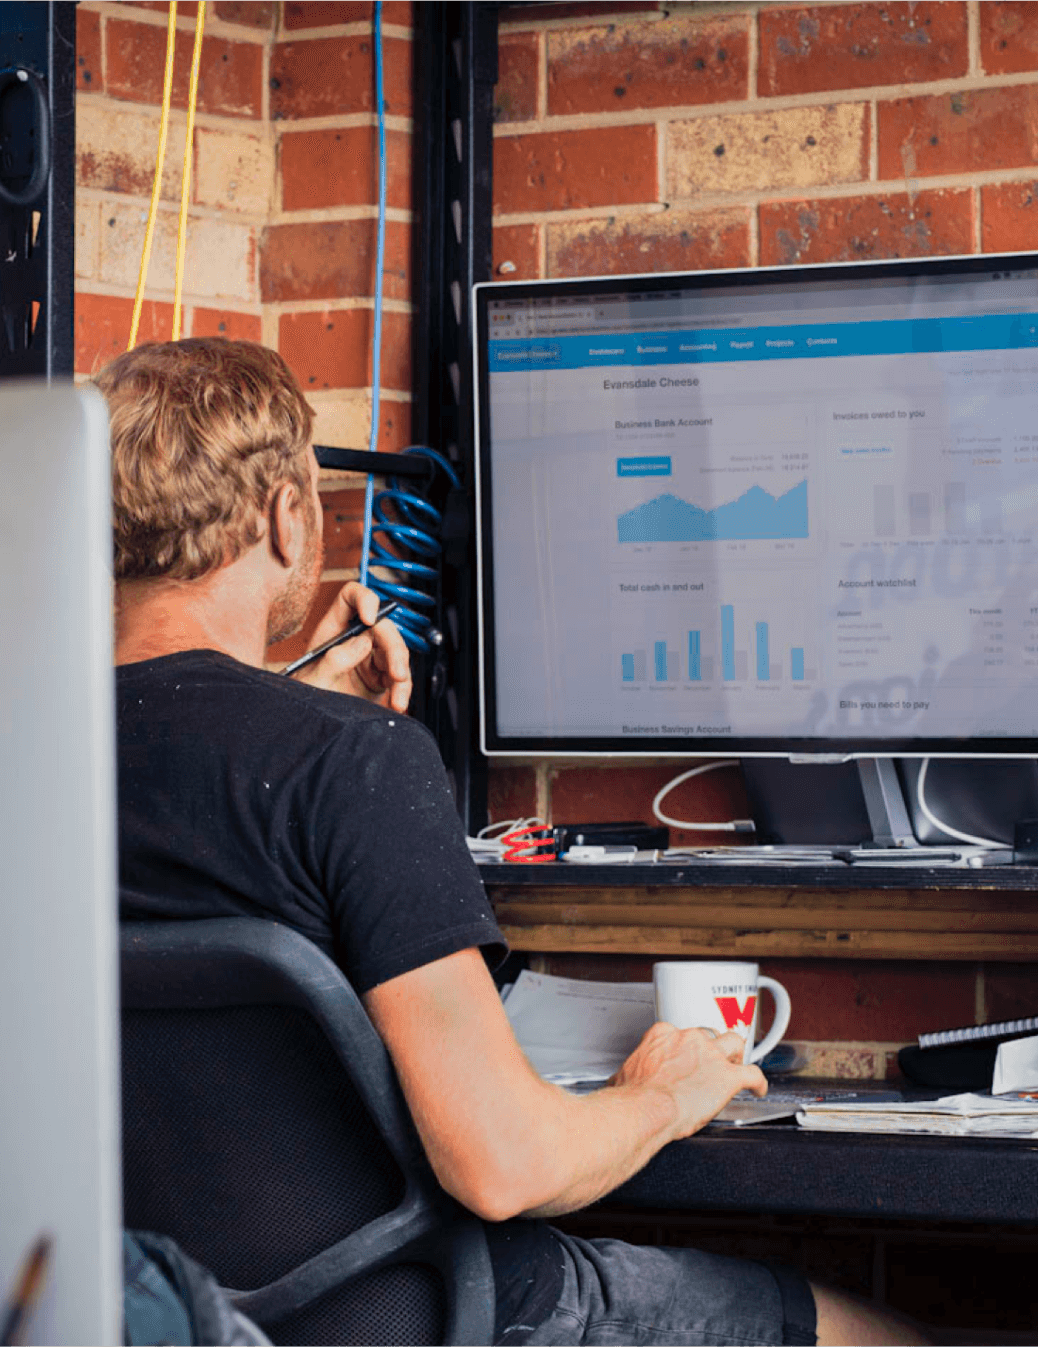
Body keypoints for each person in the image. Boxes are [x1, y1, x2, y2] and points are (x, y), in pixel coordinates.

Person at [105, 337, 930, 1347]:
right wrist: (662, 1095)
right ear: (285, 514)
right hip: (430, 1316)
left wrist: (296, 723)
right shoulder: (350, 764)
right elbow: (505, 1165)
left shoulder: (0, 766)